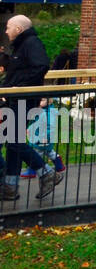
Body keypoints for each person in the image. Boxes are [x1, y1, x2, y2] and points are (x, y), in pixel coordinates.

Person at [0, 15, 62, 201]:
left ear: (18, 29)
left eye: (9, 27)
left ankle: (47, 173)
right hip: (16, 99)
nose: (6, 31)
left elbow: (41, 66)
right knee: (13, 143)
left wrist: (19, 87)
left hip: (23, 99)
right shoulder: (22, 46)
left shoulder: (31, 43)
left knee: (14, 142)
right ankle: (11, 187)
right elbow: (20, 72)